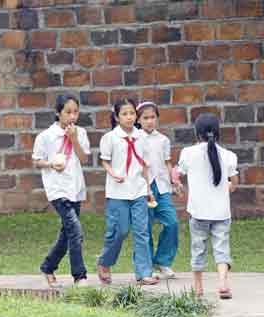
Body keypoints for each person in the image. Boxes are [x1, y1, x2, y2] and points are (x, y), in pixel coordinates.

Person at [173, 113, 239, 299]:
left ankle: (198, 287)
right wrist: (229, 187)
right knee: (221, 248)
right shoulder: (228, 155)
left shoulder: (188, 153)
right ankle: (223, 283)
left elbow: (178, 174)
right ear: (218, 133)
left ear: (197, 133)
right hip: (221, 212)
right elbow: (233, 181)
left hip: (199, 211)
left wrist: (177, 184)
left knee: (198, 248)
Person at [96, 98, 159, 285]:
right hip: (117, 192)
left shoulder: (142, 137)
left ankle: (144, 273)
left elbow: (144, 166)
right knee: (119, 230)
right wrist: (113, 173)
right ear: (117, 117)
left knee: (142, 232)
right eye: (125, 114)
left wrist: (149, 190)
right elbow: (104, 160)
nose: (129, 117)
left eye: (132, 113)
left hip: (138, 190)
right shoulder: (110, 138)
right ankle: (105, 261)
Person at [32, 94, 91, 287]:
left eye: (76, 112)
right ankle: (79, 275)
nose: (72, 116)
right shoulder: (46, 136)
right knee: (75, 230)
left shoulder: (80, 133)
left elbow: (84, 159)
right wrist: (50, 164)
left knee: (67, 234)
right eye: (68, 112)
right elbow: (36, 161)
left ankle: (48, 266)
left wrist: (74, 139)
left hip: (75, 188)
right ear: (58, 113)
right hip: (57, 190)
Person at [136, 101, 179, 279]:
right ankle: (146, 267)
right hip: (142, 187)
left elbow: (167, 162)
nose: (149, 121)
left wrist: (174, 181)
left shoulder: (163, 140)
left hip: (162, 186)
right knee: (144, 228)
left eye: (153, 117)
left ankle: (163, 260)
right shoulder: (134, 138)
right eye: (145, 118)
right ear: (138, 120)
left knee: (172, 222)